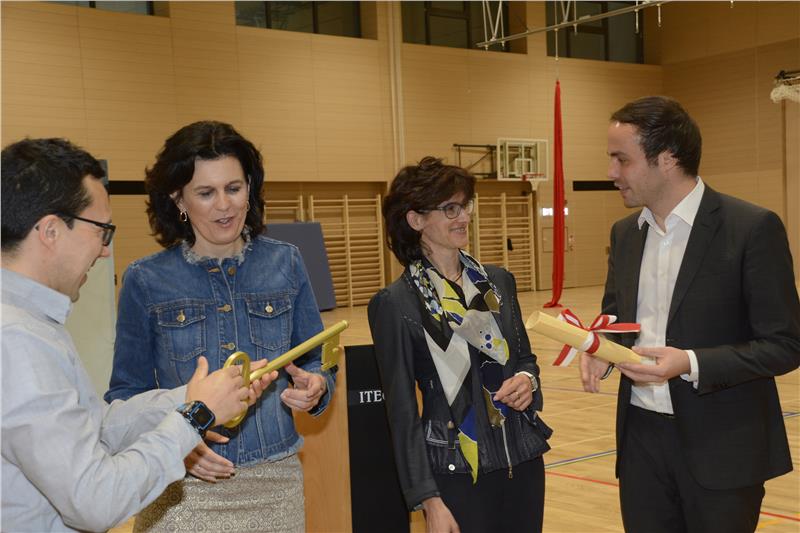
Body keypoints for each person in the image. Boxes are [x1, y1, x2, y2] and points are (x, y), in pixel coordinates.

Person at [1, 138, 277, 532]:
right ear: (50, 231)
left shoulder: (31, 324)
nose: (104, 251)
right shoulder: (17, 340)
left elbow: (97, 428)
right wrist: (194, 417)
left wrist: (191, 396)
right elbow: (95, 499)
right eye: (101, 230)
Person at [580, 96, 800, 533]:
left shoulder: (751, 228)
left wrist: (690, 363)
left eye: (622, 159)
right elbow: (617, 321)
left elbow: (785, 344)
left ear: (667, 158)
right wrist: (601, 349)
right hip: (641, 443)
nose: (611, 172)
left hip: (723, 446)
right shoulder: (624, 235)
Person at [104, 120, 336, 532]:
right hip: (181, 487)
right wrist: (178, 443)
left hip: (275, 483)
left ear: (250, 188)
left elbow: (316, 360)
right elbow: (126, 397)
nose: (224, 205)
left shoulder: (286, 262)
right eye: (206, 193)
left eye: (234, 188)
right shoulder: (145, 279)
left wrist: (316, 386)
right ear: (178, 199)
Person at [368, 157, 552, 533]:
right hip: (456, 476)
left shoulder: (499, 282)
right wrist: (428, 500)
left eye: (465, 206)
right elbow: (402, 413)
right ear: (415, 220)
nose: (463, 217)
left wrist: (527, 380)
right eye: (450, 209)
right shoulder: (396, 304)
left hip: (523, 461)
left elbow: (525, 359)